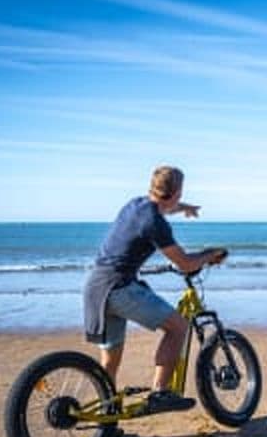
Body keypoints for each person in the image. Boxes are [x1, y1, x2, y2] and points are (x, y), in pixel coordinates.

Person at [83, 165, 225, 413]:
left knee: (110, 361)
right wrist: (209, 254)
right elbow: (185, 264)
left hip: (96, 287)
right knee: (178, 327)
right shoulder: (156, 223)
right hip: (119, 288)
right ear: (177, 192)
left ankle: (106, 418)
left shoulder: (135, 204)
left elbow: (164, 205)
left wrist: (185, 208)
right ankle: (160, 392)